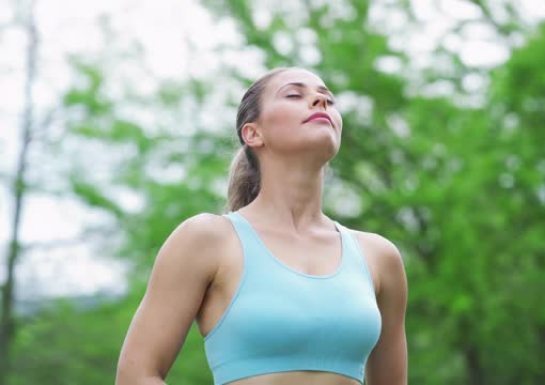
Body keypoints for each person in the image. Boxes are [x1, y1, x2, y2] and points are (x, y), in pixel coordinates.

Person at [115, 67, 408, 385]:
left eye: (328, 99)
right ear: (253, 133)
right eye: (295, 94)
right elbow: (137, 374)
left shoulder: (379, 256)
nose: (320, 101)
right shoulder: (207, 239)